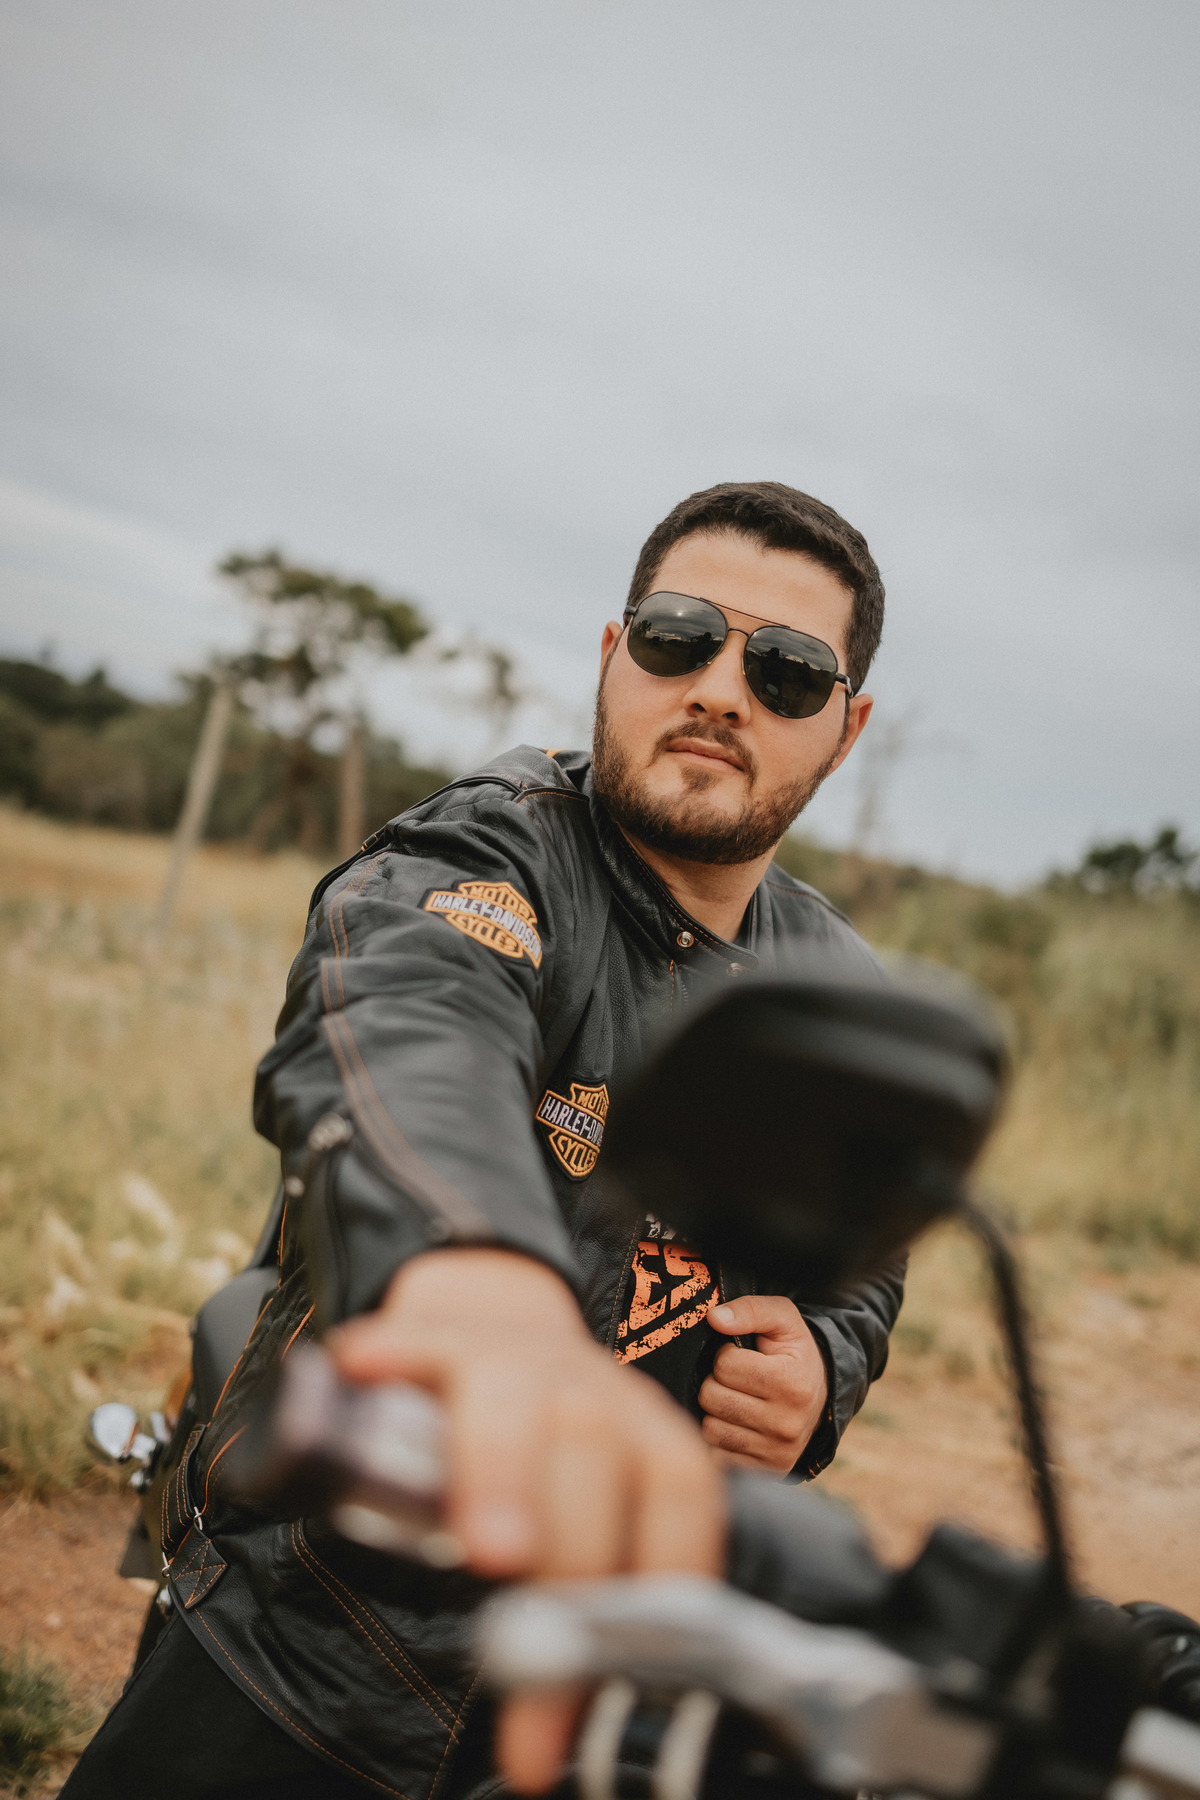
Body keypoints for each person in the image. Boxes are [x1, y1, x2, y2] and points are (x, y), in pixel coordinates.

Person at [65, 480, 905, 1800]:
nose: (721, 691)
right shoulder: (495, 849)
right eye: (680, 636)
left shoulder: (837, 991)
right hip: (317, 1638)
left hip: (609, 1686)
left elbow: (869, 1245)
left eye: (788, 670)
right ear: (615, 652)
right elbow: (409, 1018)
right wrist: (475, 1276)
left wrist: (825, 1365)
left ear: (844, 731)